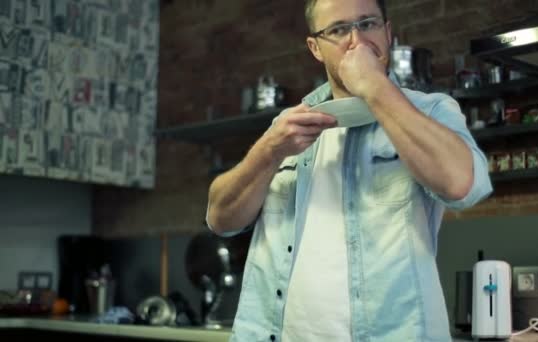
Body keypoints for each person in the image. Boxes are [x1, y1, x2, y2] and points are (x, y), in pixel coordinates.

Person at [206, 0, 493, 340]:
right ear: (315, 47)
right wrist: (268, 152)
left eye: (367, 24)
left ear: (388, 33)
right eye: (339, 29)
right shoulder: (287, 125)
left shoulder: (431, 110)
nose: (357, 40)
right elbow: (219, 219)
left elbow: (464, 185)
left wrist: (373, 86)